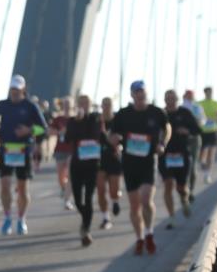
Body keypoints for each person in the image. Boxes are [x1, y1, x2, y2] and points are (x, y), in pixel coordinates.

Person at [109, 80, 170, 255]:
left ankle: (150, 232)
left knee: (146, 200)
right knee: (135, 206)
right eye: (136, 91)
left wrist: (162, 143)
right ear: (132, 95)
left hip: (148, 162)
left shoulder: (156, 112)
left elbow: (167, 127)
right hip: (129, 164)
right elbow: (112, 133)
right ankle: (139, 238)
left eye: (142, 91)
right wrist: (113, 139)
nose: (140, 94)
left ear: (146, 93)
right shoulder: (123, 114)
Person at [0, 75, 48, 235]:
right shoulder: (2, 104)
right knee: (5, 184)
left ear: (23, 89)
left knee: (23, 189)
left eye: (17, 89)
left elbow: (43, 128)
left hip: (24, 151)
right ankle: (7, 217)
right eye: (12, 89)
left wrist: (29, 130)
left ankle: (21, 219)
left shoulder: (30, 106)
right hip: (6, 150)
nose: (14, 92)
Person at [64, 94, 104, 246]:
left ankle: (85, 229)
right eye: (80, 103)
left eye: (86, 103)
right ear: (77, 105)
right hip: (77, 164)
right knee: (78, 201)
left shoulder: (95, 118)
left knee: (88, 199)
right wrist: (77, 122)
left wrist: (84, 120)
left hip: (92, 165)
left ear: (90, 104)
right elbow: (68, 138)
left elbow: (95, 134)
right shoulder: (72, 121)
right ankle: (85, 219)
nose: (83, 106)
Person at [159, 89, 200, 229]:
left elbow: (197, 129)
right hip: (165, 155)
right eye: (167, 98)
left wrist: (187, 131)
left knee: (181, 187)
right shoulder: (160, 114)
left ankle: (184, 199)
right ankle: (171, 217)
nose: (170, 101)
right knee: (168, 184)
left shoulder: (185, 113)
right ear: (164, 100)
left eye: (172, 98)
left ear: (177, 99)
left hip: (182, 154)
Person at [96, 96, 123, 230]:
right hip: (99, 159)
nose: (106, 107)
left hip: (114, 158)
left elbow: (124, 136)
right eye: (104, 104)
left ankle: (115, 200)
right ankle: (106, 218)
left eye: (109, 104)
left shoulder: (118, 120)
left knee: (113, 190)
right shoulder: (96, 121)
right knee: (101, 189)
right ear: (101, 106)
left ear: (112, 106)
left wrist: (120, 142)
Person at [49, 97, 76, 211]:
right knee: (61, 175)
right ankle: (64, 189)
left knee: (70, 174)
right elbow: (49, 131)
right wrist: (60, 132)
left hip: (72, 149)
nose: (67, 107)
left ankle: (67, 200)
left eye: (68, 104)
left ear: (72, 106)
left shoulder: (75, 119)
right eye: (65, 104)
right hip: (60, 149)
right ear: (62, 106)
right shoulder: (58, 119)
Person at [196, 86, 217, 184]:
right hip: (203, 131)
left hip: (213, 130)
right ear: (204, 93)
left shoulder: (216, 103)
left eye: (211, 92)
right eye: (207, 92)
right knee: (202, 151)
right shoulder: (199, 103)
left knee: (211, 152)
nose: (209, 94)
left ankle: (207, 174)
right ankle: (202, 162)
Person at [181, 90, 206, 203]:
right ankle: (183, 188)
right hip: (183, 139)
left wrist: (193, 128)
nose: (189, 97)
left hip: (194, 138)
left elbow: (202, 121)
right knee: (184, 165)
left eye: (191, 95)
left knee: (193, 165)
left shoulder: (197, 107)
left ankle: (190, 189)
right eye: (188, 95)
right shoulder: (181, 108)